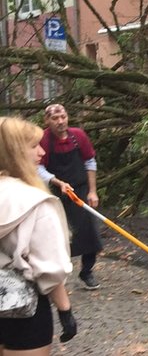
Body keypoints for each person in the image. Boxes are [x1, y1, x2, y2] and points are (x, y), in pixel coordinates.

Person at [0, 116, 77, 353]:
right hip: (22, 309)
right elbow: (49, 268)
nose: (42, 152)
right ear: (13, 152)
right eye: (33, 146)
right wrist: (65, 311)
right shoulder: (37, 204)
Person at [37, 104, 103, 290]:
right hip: (55, 192)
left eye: (63, 117)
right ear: (47, 121)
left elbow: (90, 161)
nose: (60, 122)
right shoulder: (43, 140)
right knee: (57, 235)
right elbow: (38, 168)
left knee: (89, 232)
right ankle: (57, 276)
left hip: (80, 190)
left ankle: (87, 272)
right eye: (55, 118)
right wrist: (58, 183)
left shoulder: (78, 136)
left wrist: (92, 191)